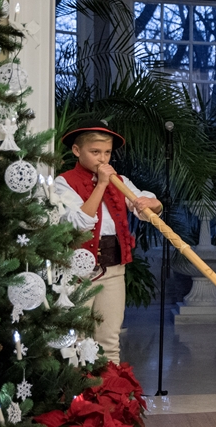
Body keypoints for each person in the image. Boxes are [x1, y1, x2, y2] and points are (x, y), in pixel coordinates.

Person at [56, 119, 162, 364]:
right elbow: (80, 223)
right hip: (78, 271)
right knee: (77, 339)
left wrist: (153, 204)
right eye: (95, 152)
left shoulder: (120, 181)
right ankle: (79, 387)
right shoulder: (64, 182)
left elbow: (146, 208)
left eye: (107, 152)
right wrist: (102, 183)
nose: (102, 159)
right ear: (77, 150)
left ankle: (110, 387)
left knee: (110, 338)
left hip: (113, 268)